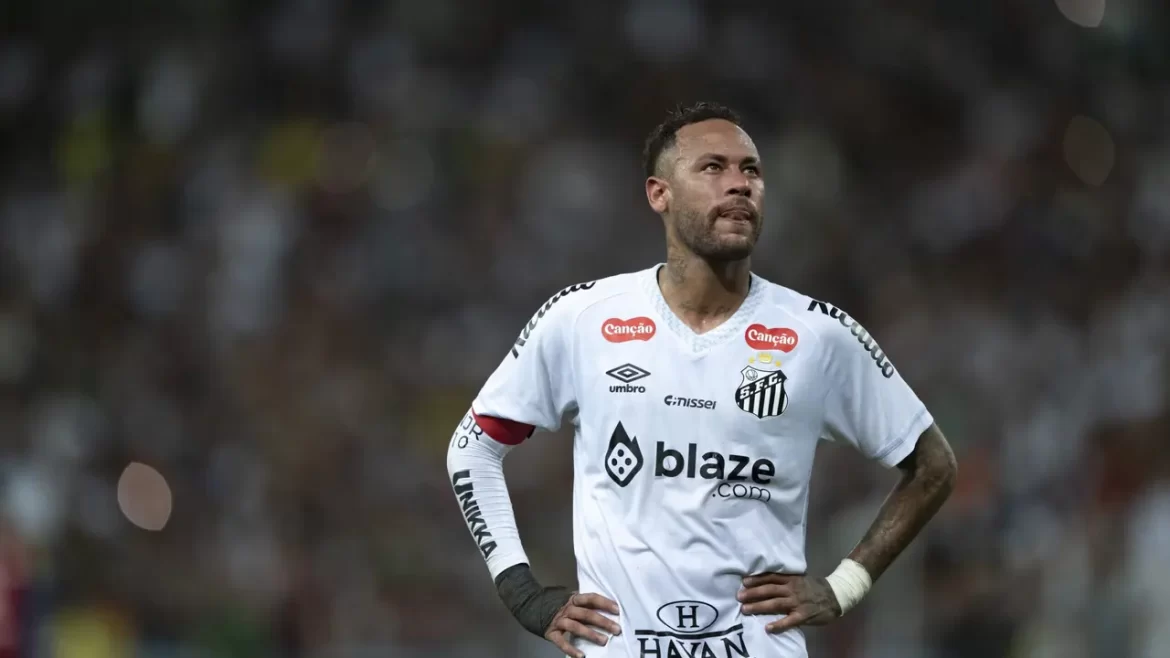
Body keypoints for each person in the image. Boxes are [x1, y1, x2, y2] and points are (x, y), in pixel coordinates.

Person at [447, 101, 958, 658]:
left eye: (751, 170)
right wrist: (521, 593)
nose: (739, 184)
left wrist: (844, 586)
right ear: (658, 193)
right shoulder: (582, 318)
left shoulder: (818, 335)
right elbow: (473, 448)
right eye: (713, 167)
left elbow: (933, 466)